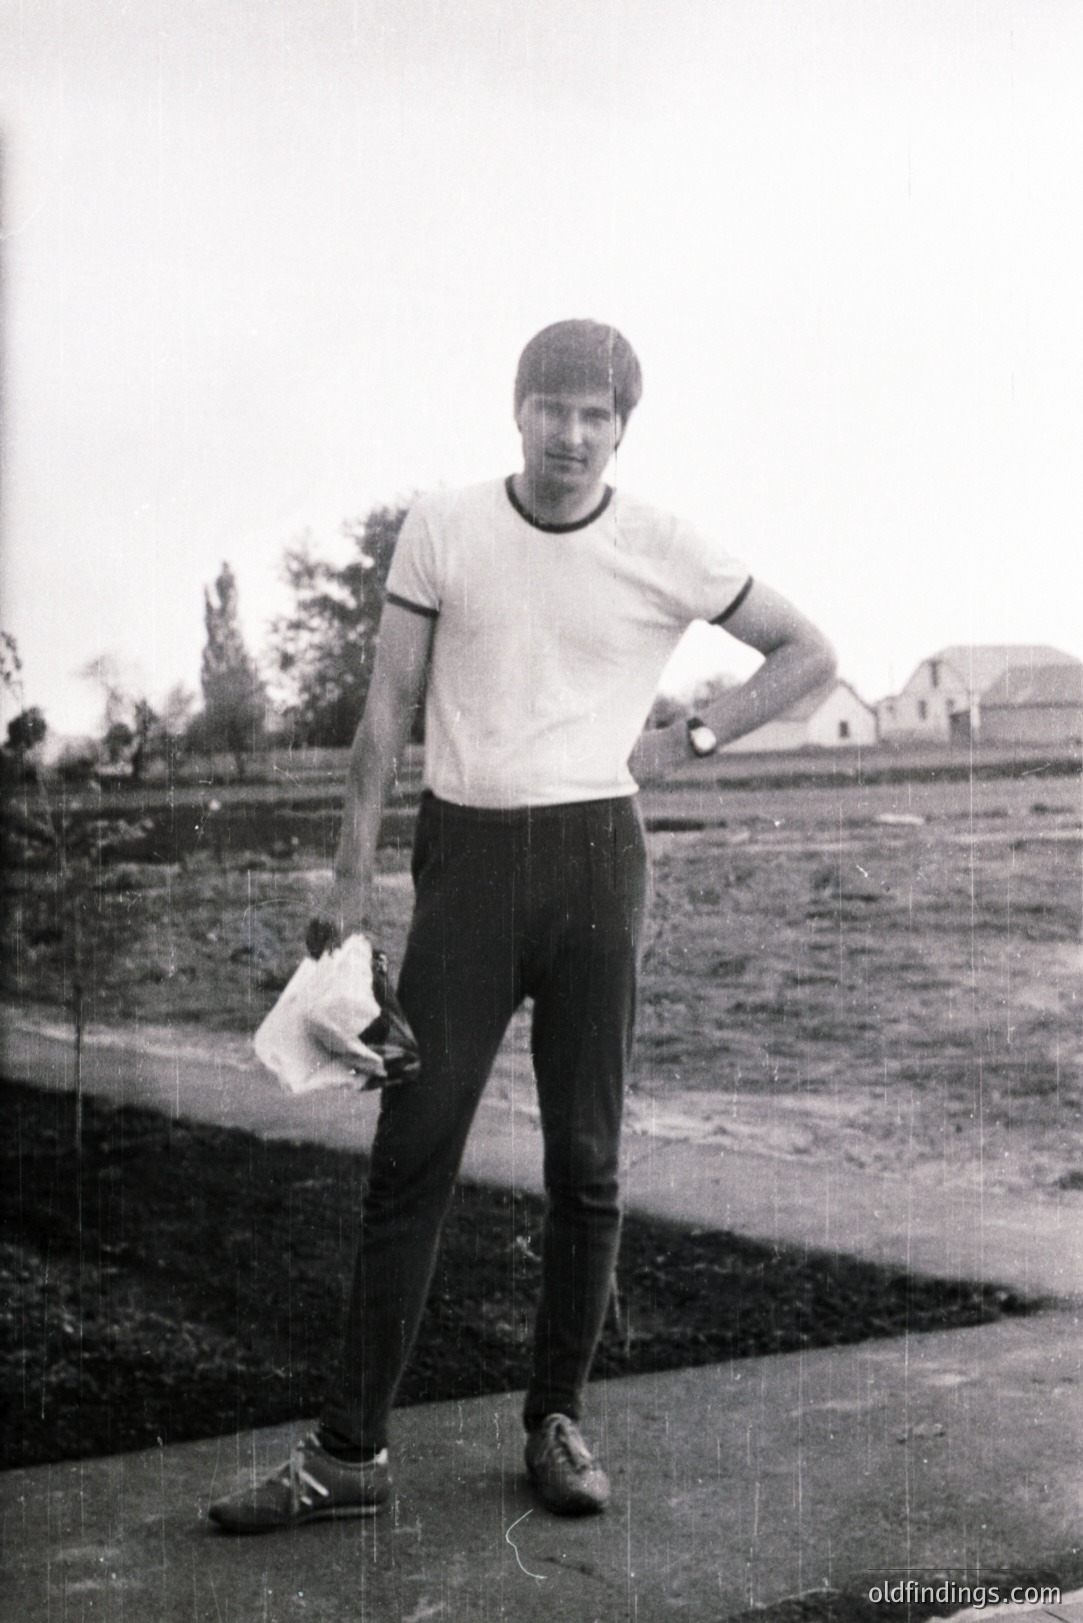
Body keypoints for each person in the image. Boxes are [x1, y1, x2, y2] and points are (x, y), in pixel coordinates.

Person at [208, 319, 835, 1534]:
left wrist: (693, 737)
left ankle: (557, 1419)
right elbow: (386, 711)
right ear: (518, 410)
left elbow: (809, 653)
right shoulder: (444, 528)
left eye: (598, 415)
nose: (573, 435)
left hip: (600, 862)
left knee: (585, 1162)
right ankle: (349, 1454)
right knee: (412, 1150)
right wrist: (351, 874)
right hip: (470, 865)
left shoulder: (663, 543)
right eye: (555, 408)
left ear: (623, 428)